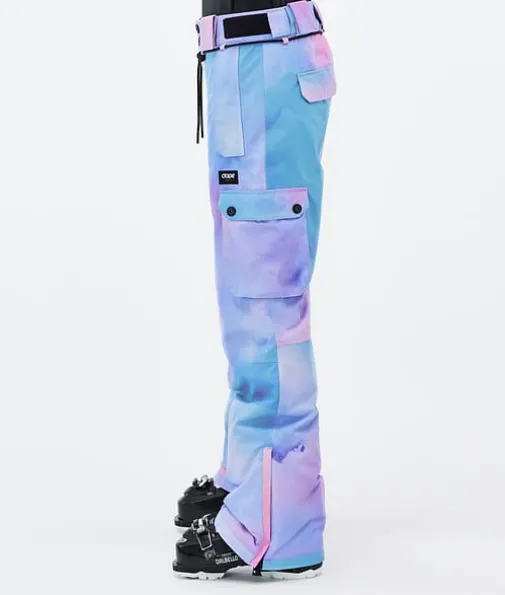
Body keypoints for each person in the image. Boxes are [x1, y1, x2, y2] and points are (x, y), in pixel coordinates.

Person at [173, 0, 335, 580]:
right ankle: (250, 475)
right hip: (243, 56)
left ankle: (278, 518)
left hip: (264, 56)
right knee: (248, 293)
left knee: (266, 298)